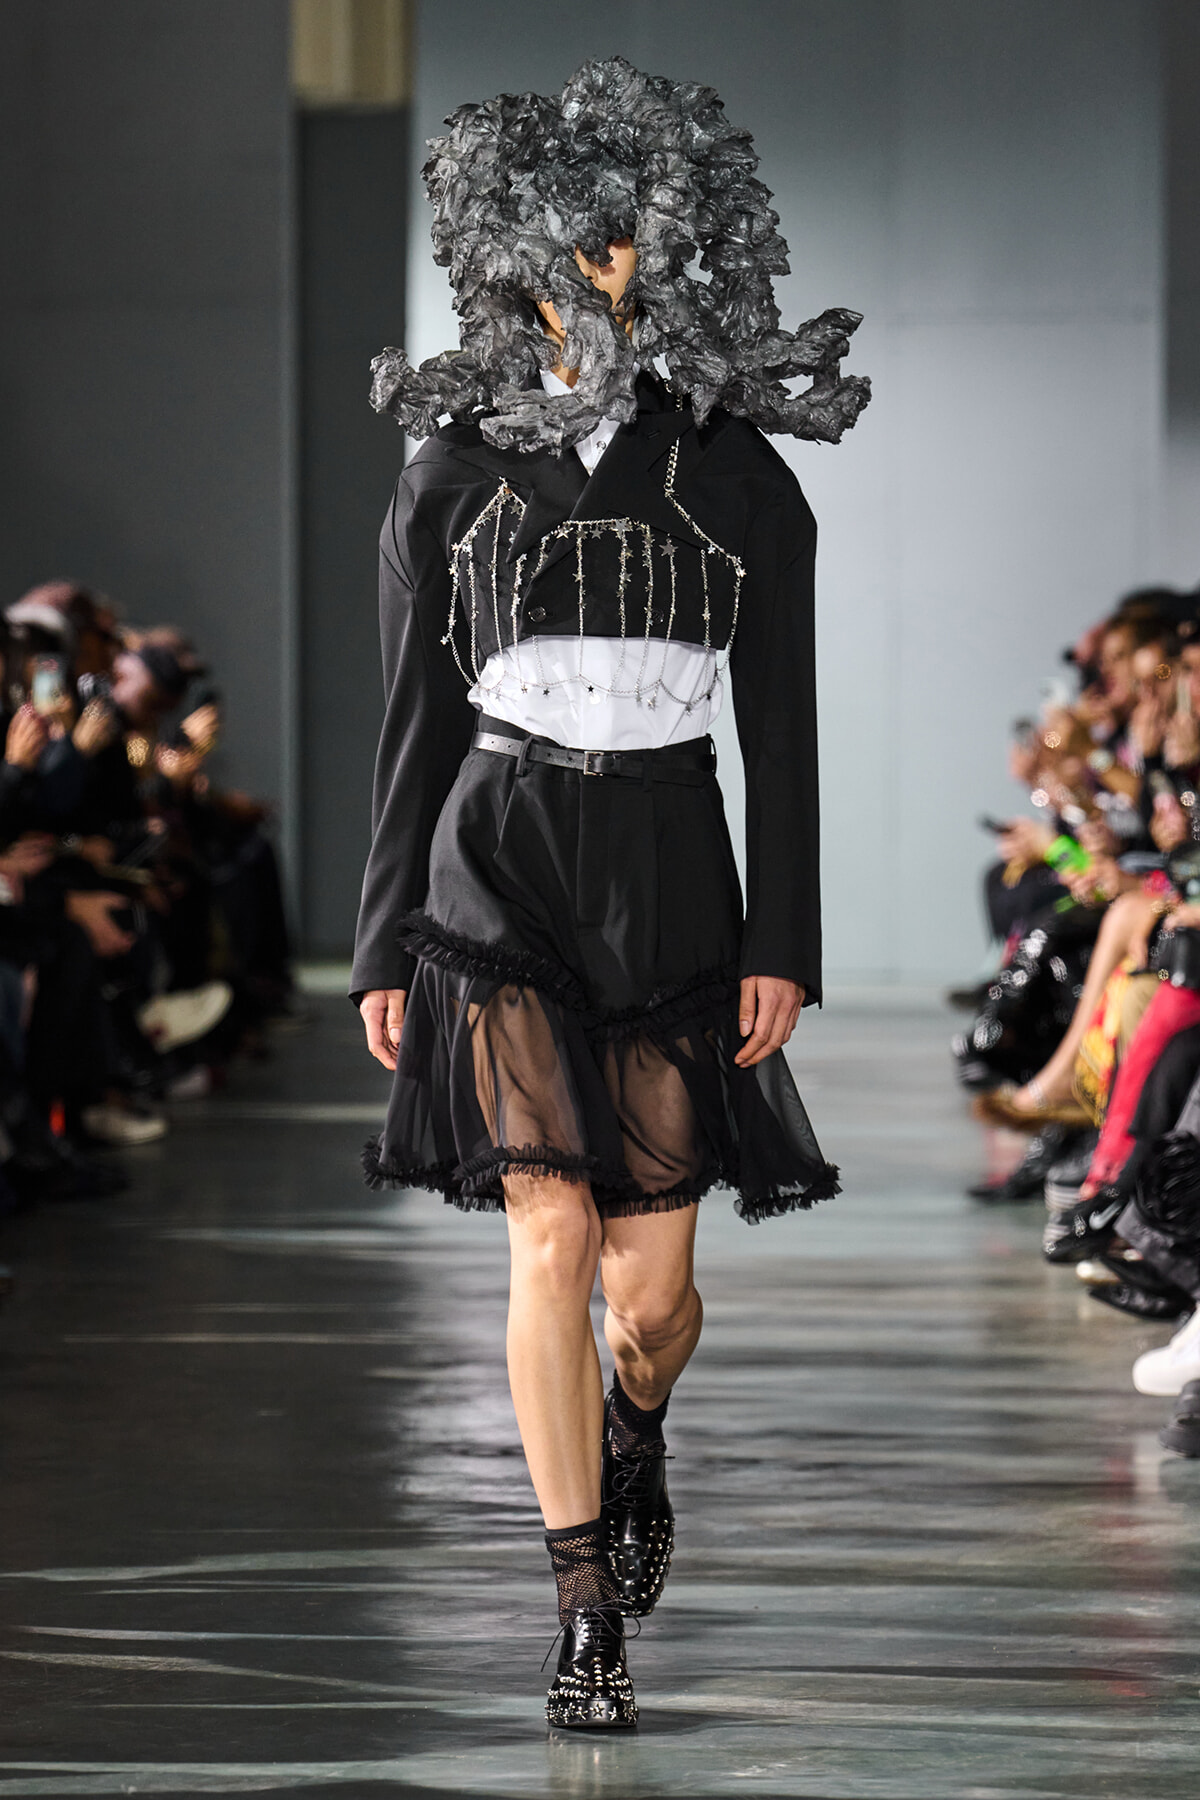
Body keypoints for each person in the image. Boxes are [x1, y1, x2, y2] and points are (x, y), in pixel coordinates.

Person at [351, 57, 869, 1730]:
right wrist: (379, 937)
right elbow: (412, 722)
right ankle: (581, 1605)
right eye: (558, 239)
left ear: (664, 252)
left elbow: (780, 725)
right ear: (503, 250)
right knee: (548, 1232)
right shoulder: (447, 468)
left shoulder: (732, 469)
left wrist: (782, 937)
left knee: (648, 1294)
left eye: (616, 238)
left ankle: (637, 1431)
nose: (586, 267)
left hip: (668, 858)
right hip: (496, 858)